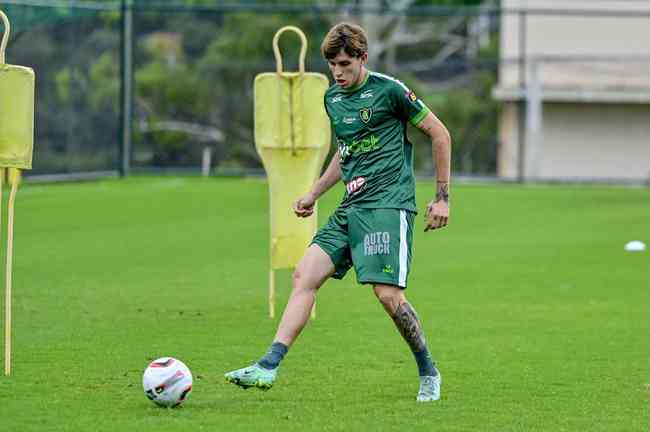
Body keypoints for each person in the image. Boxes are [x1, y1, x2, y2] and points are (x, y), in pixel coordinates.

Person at [225, 22, 451, 402]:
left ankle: (428, 370)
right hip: (351, 206)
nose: (339, 72)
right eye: (332, 64)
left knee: (387, 295)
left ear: (363, 58)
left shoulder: (390, 91)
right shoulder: (333, 99)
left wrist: (442, 197)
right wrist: (313, 192)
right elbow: (345, 153)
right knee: (304, 275)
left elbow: (440, 133)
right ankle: (267, 366)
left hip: (387, 204)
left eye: (346, 63)